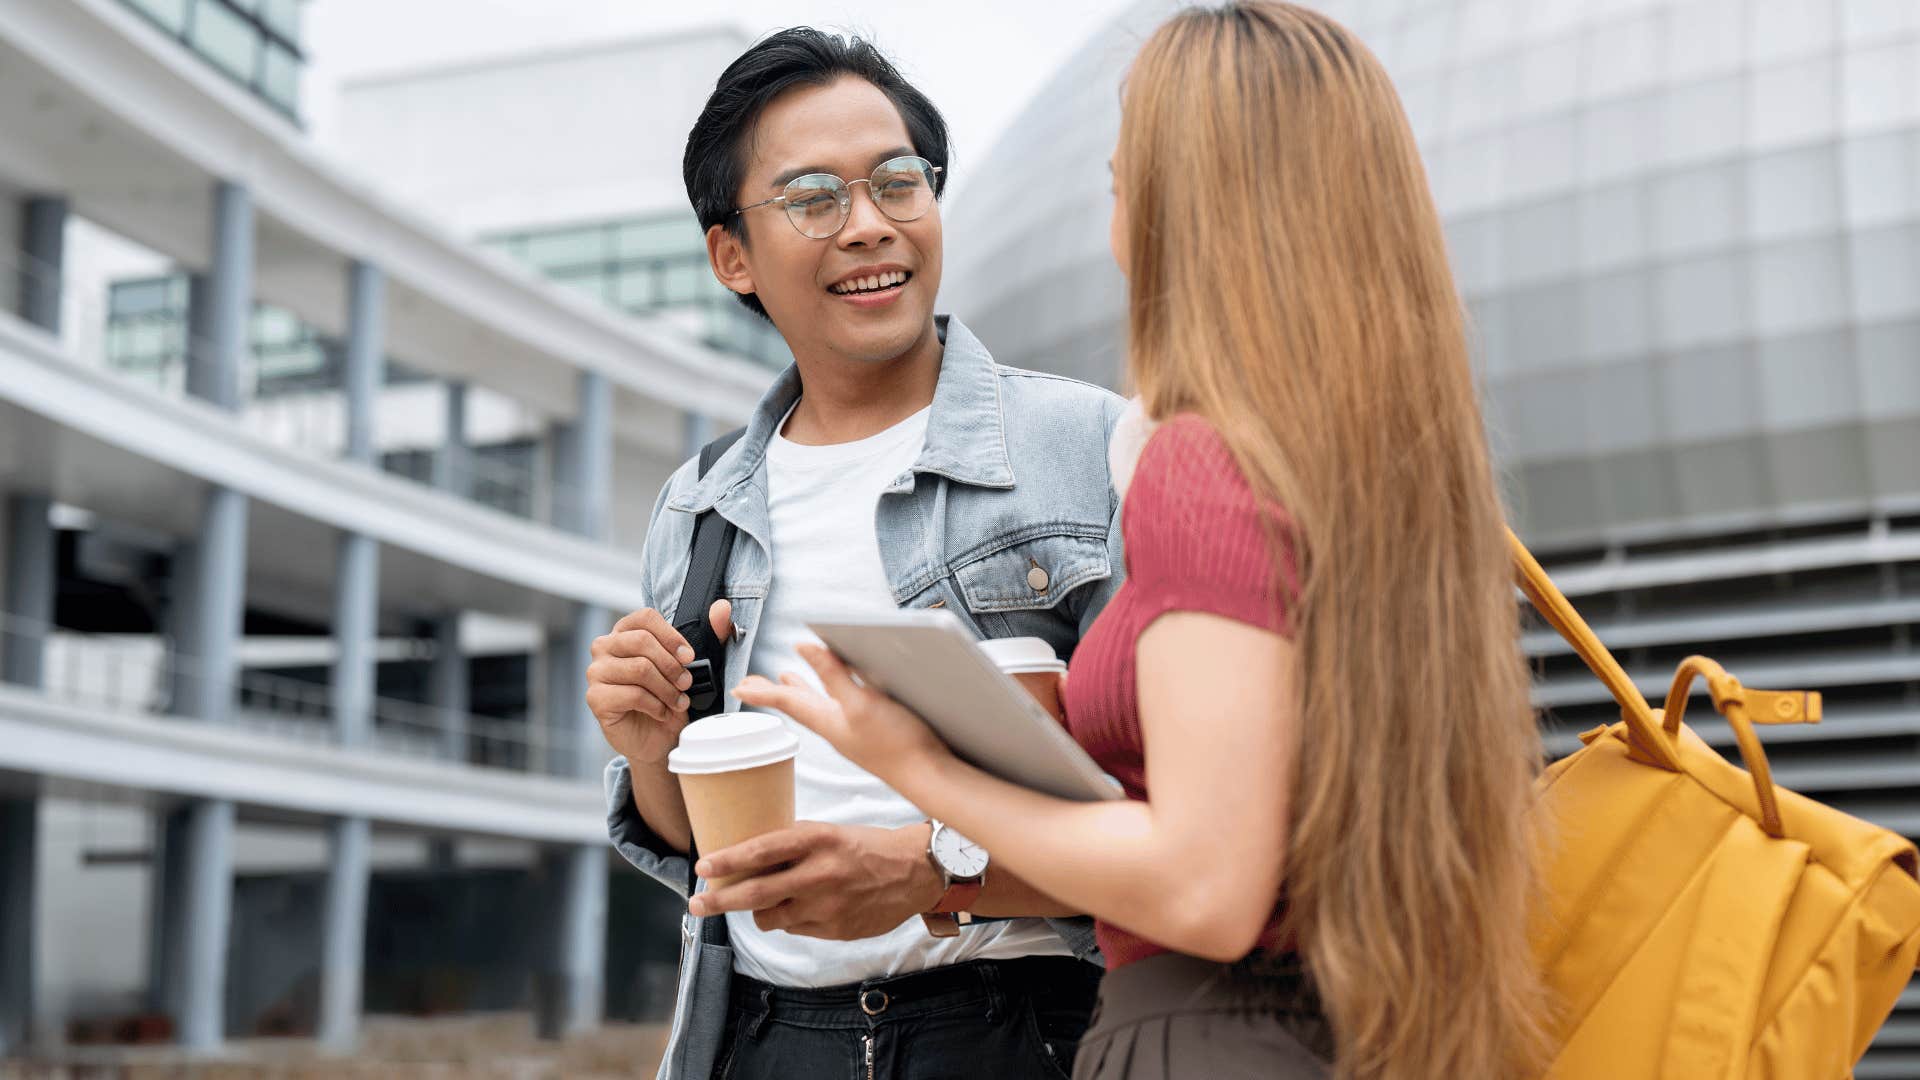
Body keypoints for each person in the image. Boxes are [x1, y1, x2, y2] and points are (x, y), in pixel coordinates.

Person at [731, 4, 1552, 1078]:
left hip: (1205, 1037)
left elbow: (1205, 886)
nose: (1114, 210)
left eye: (1125, 183)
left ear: (1187, 208)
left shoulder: (1199, 466)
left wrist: (921, 766)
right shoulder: (1389, 480)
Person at [586, 27, 1127, 1080]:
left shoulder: (1087, 447)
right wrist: (652, 744)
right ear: (730, 255)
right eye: (814, 200)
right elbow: (698, 841)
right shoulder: (697, 507)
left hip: (1025, 1025)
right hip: (760, 1037)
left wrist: (935, 875)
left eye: (897, 183)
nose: (870, 227)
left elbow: (1179, 827)